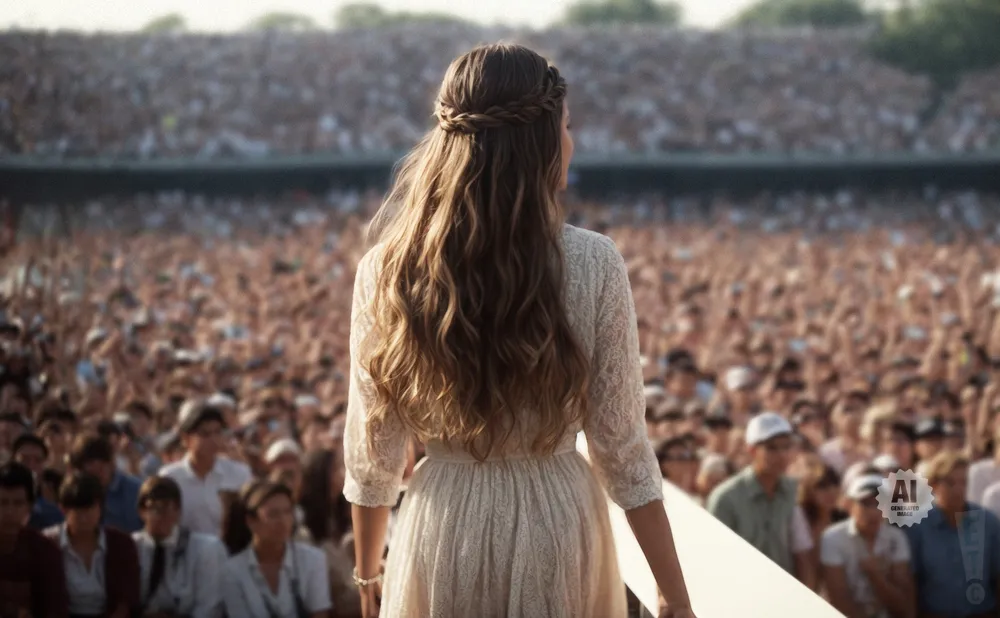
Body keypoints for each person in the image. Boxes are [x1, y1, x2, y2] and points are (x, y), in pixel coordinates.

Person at [344, 44, 694, 618]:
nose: (572, 142)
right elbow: (622, 450)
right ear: (538, 144)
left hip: (441, 525)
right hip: (556, 522)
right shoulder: (593, 262)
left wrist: (367, 574)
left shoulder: (387, 270)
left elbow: (373, 454)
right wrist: (672, 592)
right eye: (567, 126)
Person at [707, 412, 816, 589]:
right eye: (771, 448)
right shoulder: (725, 498)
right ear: (752, 450)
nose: (781, 455)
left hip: (786, 595)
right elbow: (717, 560)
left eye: (786, 447)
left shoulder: (792, 490)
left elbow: (801, 551)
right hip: (742, 593)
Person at [905, 451, 1000, 618]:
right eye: (950, 483)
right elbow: (911, 580)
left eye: (963, 482)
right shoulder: (918, 526)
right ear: (933, 484)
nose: (958, 489)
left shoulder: (989, 523)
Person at [220, 480, 331, 618]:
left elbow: (319, 613)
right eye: (273, 514)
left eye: (288, 512)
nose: (283, 521)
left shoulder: (313, 559)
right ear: (251, 521)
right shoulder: (232, 571)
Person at [44, 472, 141, 618]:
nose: (84, 518)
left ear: (100, 508)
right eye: (78, 511)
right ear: (63, 509)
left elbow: (126, 599)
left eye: (89, 509)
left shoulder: (121, 544)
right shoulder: (48, 544)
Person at [821, 474, 915, 618]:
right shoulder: (832, 538)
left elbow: (904, 604)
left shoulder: (896, 538)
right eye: (865, 504)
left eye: (879, 504)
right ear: (849, 505)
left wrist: (875, 576)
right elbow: (838, 598)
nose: (873, 512)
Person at [132, 476, 227, 618]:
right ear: (141, 511)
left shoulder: (205, 549)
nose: (160, 515)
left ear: (178, 511)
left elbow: (209, 607)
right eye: (154, 508)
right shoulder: (130, 547)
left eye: (168, 508)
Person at [159, 400, 252, 536]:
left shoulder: (239, 473)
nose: (213, 439)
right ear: (186, 439)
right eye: (205, 434)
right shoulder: (170, 477)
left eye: (218, 432)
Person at [0, 461, 69, 618]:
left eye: (18, 503)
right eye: (2, 503)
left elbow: (55, 608)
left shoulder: (45, 552)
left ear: (30, 507)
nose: (9, 512)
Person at [68, 433, 143, 533]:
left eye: (103, 459)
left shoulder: (136, 489)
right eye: (91, 462)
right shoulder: (73, 493)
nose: (98, 466)